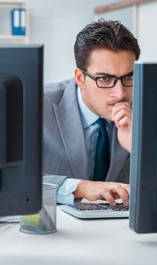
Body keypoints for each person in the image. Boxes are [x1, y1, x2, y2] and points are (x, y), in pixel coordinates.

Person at [43, 19, 138, 206]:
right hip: (56, 229)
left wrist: (138, 145)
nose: (120, 93)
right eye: (104, 79)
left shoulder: (148, 107)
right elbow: (12, 179)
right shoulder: (36, 104)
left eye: (128, 76)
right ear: (80, 78)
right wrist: (81, 187)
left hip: (123, 229)